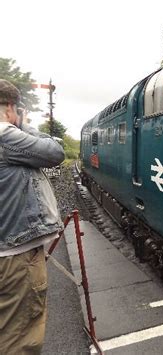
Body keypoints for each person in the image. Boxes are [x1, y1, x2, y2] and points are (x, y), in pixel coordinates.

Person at [0, 79, 65, 354]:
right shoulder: (6, 136)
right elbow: (55, 151)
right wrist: (21, 123)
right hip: (15, 255)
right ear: (12, 107)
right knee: (20, 335)